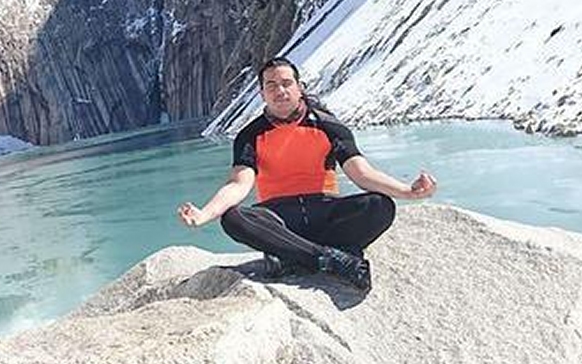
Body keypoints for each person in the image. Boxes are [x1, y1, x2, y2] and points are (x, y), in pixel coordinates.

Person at [177, 56, 437, 291]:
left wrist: (407, 191)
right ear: (262, 94)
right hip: (279, 217)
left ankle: (291, 255)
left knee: (379, 205)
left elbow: (361, 172)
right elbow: (238, 184)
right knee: (233, 218)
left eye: (286, 83)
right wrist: (205, 214)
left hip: (324, 211)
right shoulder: (250, 136)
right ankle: (331, 259)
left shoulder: (328, 126)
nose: (280, 90)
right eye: (271, 85)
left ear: (299, 88)